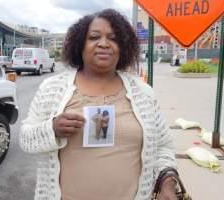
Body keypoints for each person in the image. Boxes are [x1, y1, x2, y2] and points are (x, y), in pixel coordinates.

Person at [19, 9, 177, 200]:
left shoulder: (143, 93)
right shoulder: (52, 89)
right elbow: (25, 138)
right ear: (80, 45)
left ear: (123, 46)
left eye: (113, 38)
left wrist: (167, 180)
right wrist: (52, 129)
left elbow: (164, 146)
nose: (104, 43)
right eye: (94, 37)